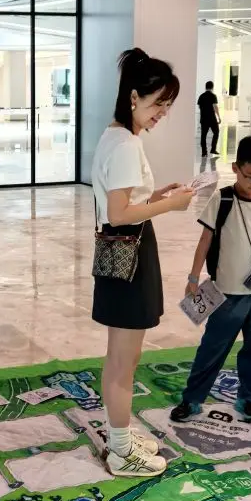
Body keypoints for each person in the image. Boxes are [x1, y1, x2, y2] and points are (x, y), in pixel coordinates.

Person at [92, 48, 196, 478]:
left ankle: (120, 436)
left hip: (126, 251)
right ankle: (120, 451)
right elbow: (118, 213)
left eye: (167, 106)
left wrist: (155, 197)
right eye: (158, 104)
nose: (162, 114)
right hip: (129, 254)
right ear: (134, 97)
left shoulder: (117, 136)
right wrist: (171, 205)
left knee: (122, 357)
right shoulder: (125, 145)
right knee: (123, 360)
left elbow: (121, 202)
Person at [171, 135, 251, 425]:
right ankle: (192, 399)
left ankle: (248, 399)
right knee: (213, 348)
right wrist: (193, 277)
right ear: (236, 168)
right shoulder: (222, 200)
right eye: (250, 176)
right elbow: (205, 240)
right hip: (226, 294)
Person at [198, 81, 221, 158]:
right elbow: (215, 107)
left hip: (203, 119)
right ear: (212, 87)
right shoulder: (213, 96)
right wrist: (219, 117)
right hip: (212, 119)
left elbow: (200, 107)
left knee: (203, 135)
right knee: (216, 132)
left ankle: (204, 152)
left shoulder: (201, 96)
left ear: (205, 87)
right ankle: (213, 149)